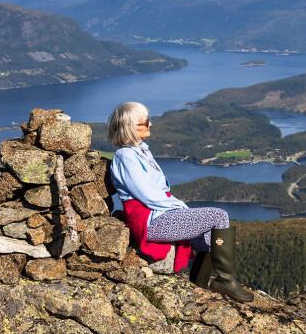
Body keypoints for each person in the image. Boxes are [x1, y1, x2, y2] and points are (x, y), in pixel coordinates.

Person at [107, 101, 253, 302]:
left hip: (160, 214)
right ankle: (225, 280)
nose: (151, 125)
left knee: (209, 241)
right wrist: (180, 207)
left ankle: (198, 286)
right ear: (131, 127)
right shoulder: (125, 156)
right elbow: (148, 194)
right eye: (146, 121)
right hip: (151, 220)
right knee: (219, 216)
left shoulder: (141, 152)